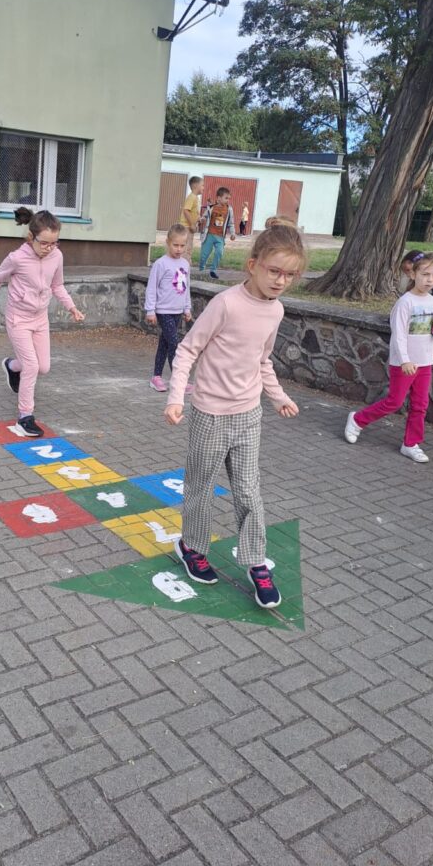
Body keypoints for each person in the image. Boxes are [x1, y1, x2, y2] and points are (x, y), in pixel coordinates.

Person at [164, 224, 305, 609]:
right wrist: (176, 398)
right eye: (274, 271)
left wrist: (278, 397)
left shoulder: (276, 310)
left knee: (248, 491)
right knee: (200, 487)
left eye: (290, 275)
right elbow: (187, 350)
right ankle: (191, 547)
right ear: (253, 265)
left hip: (248, 416)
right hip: (209, 415)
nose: (281, 281)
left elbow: (262, 360)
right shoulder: (226, 304)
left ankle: (256, 562)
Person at [0, 207, 85, 438]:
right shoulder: (16, 258)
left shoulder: (56, 256)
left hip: (40, 319)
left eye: (54, 243)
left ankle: (11, 366)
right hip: (18, 319)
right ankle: (25, 417)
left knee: (43, 367)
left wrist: (72, 308)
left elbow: (57, 285)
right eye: (44, 243)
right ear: (31, 237)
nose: (49, 248)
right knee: (32, 367)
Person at [345, 252, 433, 462]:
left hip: (424, 362)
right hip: (404, 363)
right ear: (413, 274)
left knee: (420, 405)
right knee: (394, 402)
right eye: (425, 274)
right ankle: (357, 420)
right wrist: (405, 360)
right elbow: (398, 335)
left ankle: (411, 444)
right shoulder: (405, 303)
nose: (429, 280)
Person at [145, 224, 193, 393]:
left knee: (165, 344)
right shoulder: (161, 264)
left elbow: (186, 287)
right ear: (168, 242)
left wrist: (187, 308)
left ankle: (156, 377)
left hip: (177, 311)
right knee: (174, 344)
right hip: (163, 311)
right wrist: (150, 310)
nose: (179, 249)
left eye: (182, 245)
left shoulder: (185, 264)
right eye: (175, 245)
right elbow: (151, 288)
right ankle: (178, 380)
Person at [198, 186, 236, 278]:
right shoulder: (211, 208)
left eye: (229, 198)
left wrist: (232, 233)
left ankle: (213, 270)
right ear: (218, 198)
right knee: (204, 254)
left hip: (220, 237)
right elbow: (204, 216)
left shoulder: (229, 209)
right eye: (226, 198)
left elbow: (231, 223)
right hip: (209, 235)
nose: (228, 200)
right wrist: (202, 219)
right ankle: (201, 268)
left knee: (219, 252)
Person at [179, 176, 203, 256]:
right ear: (195, 186)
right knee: (186, 248)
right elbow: (186, 210)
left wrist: (198, 218)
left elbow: (194, 211)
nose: (203, 188)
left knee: (188, 247)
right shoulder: (192, 197)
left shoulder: (196, 198)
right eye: (202, 185)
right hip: (186, 227)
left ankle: (186, 261)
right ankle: (184, 262)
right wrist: (192, 224)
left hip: (189, 227)